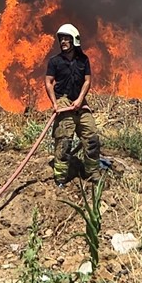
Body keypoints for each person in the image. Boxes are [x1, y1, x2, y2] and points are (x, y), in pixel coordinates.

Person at [44, 23, 101, 186]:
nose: (63, 42)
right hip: (63, 101)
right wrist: (55, 103)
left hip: (81, 103)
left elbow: (87, 81)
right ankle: (61, 177)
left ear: (74, 40)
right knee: (64, 140)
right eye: (61, 39)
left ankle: (92, 173)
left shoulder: (84, 60)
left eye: (66, 39)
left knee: (92, 138)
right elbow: (48, 82)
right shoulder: (55, 61)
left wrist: (80, 100)